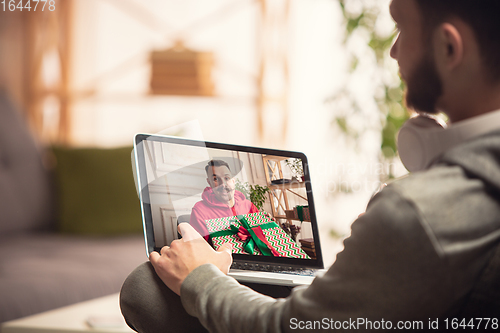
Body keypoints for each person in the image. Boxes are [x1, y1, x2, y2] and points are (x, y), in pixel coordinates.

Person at [120, 0, 500, 332]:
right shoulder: (206, 209)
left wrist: (201, 278)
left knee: (145, 289)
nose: (394, 51)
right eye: (214, 178)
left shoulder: (416, 212)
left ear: (449, 46)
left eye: (401, 26)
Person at [189, 160, 259, 243]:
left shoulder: (248, 205)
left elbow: (262, 236)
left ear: (233, 180)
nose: (223, 184)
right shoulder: (200, 210)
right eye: (216, 179)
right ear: (209, 183)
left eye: (227, 178)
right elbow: (197, 247)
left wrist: (269, 225)